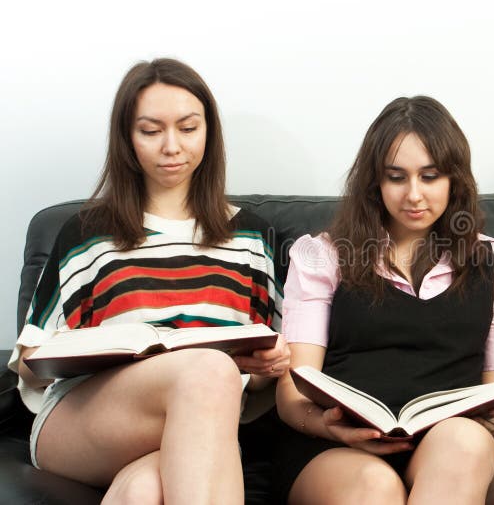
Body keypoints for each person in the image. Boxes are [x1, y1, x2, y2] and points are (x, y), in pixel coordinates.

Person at [7, 58, 290, 504]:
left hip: (202, 419)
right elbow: (29, 362)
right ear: (128, 139)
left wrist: (266, 369)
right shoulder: (86, 234)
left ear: (209, 134)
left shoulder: (251, 237)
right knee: (208, 368)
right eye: (151, 130)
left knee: (143, 488)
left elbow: (260, 373)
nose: (171, 146)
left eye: (188, 128)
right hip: (84, 421)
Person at [271, 95, 494, 504]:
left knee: (461, 443)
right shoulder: (323, 255)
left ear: (454, 180)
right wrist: (330, 427)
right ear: (374, 182)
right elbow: (293, 394)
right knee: (376, 487)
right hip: (339, 449)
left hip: (456, 448)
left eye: (430, 177)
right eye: (396, 177)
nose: (414, 195)